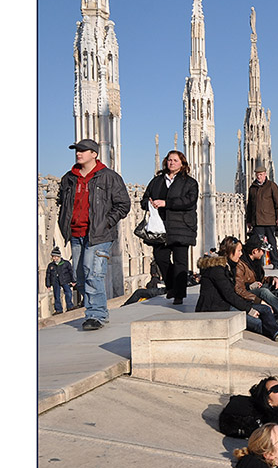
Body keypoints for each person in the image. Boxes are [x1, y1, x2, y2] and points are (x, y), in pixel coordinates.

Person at [57, 138, 131, 330]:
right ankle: (93, 309)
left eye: (82, 150)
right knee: (79, 276)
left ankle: (96, 315)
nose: (78, 153)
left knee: (93, 274)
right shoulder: (69, 178)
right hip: (75, 233)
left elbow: (124, 204)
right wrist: (64, 220)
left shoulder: (109, 177)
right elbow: (61, 201)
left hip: (99, 235)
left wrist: (106, 222)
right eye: (76, 150)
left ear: (94, 154)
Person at [195, 236, 278, 342]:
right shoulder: (217, 270)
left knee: (265, 309)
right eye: (239, 251)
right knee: (257, 322)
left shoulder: (228, 266)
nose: (241, 254)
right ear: (229, 252)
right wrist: (249, 309)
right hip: (215, 309)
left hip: (226, 304)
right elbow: (229, 295)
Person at [141, 150, 199, 305]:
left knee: (181, 261)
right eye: (169, 160)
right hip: (161, 228)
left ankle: (179, 294)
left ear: (182, 164)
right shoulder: (157, 181)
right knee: (161, 258)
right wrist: (149, 203)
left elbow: (190, 201)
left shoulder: (189, 182)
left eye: (175, 160)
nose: (172, 163)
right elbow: (145, 198)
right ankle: (172, 286)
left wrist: (166, 203)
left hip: (182, 227)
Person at [246, 166, 278, 269]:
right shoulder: (252, 187)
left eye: (261, 174)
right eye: (257, 175)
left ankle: (275, 262)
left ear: (265, 174)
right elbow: (250, 206)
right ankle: (259, 263)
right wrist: (248, 220)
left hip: (269, 220)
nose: (259, 177)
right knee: (258, 243)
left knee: (271, 242)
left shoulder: (272, 186)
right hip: (257, 221)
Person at [45, 246, 76, 315]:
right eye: (53, 257)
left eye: (56, 257)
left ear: (59, 257)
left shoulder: (66, 263)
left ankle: (70, 306)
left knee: (68, 293)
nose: (55, 258)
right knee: (56, 295)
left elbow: (71, 272)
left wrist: (73, 281)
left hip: (65, 280)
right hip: (55, 281)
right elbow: (48, 275)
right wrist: (48, 285)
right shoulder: (51, 265)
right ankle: (58, 309)